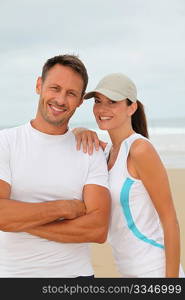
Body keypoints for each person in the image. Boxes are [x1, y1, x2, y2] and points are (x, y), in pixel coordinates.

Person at [0, 54, 111, 278]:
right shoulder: (6, 143)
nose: (61, 100)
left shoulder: (90, 150)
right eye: (55, 88)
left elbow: (97, 229)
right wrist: (65, 208)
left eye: (71, 93)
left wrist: (22, 222)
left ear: (80, 101)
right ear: (39, 85)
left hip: (76, 279)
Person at [74, 72, 184, 277]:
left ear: (131, 107)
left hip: (155, 271)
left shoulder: (140, 150)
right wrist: (79, 130)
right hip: (126, 272)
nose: (102, 109)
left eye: (112, 101)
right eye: (98, 101)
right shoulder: (106, 153)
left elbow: (170, 220)